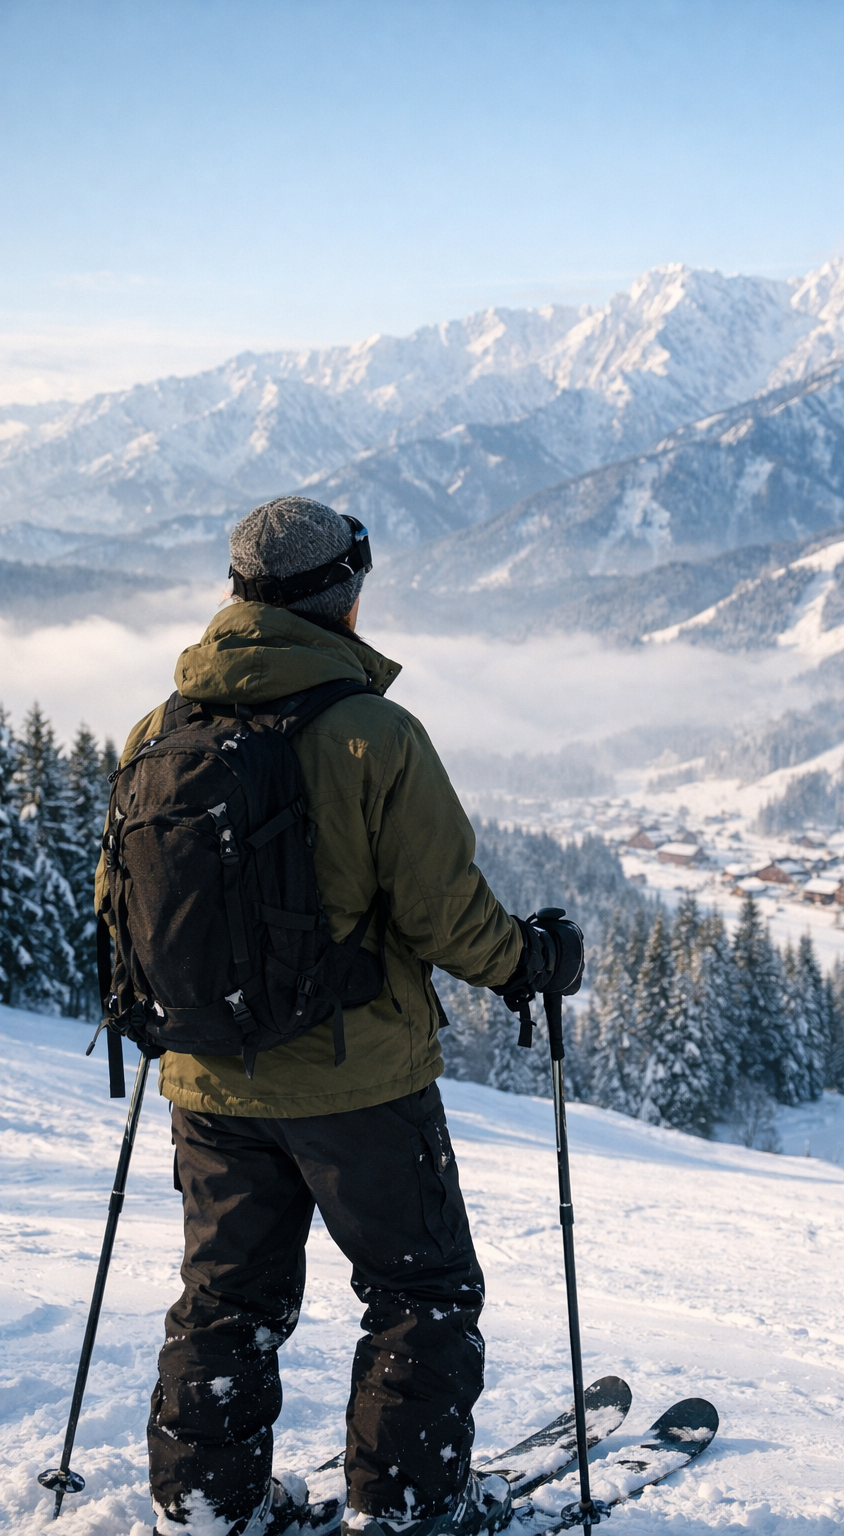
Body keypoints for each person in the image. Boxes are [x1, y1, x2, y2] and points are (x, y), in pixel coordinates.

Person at [95, 497, 577, 1536]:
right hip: (358, 1083)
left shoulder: (157, 729)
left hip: (206, 1078)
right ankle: (405, 1510)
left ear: (237, 596)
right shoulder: (372, 735)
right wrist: (529, 962)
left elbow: (114, 902)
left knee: (227, 1302)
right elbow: (446, 914)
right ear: (345, 596)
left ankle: (208, 1506)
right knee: (421, 1293)